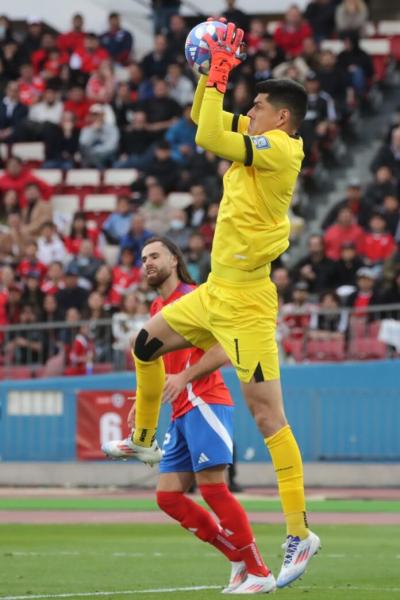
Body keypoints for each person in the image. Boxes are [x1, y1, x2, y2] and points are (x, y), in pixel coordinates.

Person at [122, 20, 320, 589]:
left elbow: (209, 137)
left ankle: (299, 531)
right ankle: (142, 442)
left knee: (267, 417)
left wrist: (217, 72)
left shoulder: (278, 150)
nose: (249, 111)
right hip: (214, 291)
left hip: (247, 304)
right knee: (145, 343)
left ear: (280, 117)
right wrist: (211, 76)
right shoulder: (262, 137)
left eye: (256, 106)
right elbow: (201, 122)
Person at [103, 237, 275, 593]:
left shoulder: (196, 297)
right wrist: (143, 400)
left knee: (213, 489)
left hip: (205, 400)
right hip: (182, 409)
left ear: (174, 259)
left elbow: (224, 345)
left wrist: (184, 377)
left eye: (155, 256)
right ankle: (237, 559)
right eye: (143, 257)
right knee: (167, 497)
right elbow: (155, 364)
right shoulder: (157, 307)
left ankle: (259, 570)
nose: (147, 262)